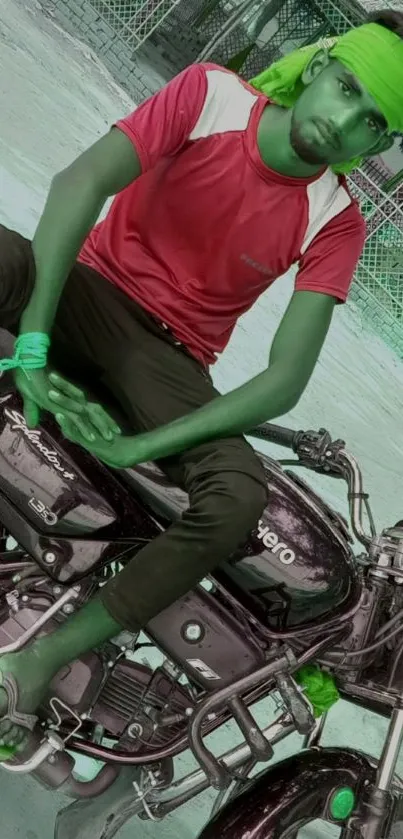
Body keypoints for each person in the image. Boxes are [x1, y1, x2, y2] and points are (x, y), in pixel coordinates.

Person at [0, 9, 401, 751]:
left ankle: (35, 663)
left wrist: (146, 442)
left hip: (169, 359)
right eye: (345, 88)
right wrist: (32, 343)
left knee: (238, 495)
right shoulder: (210, 94)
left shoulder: (336, 220)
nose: (343, 121)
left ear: (376, 144)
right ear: (316, 69)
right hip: (92, 290)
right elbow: (81, 181)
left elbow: (283, 378)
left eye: (369, 121)